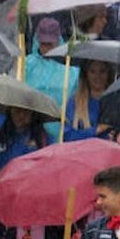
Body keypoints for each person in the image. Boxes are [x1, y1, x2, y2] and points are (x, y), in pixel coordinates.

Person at [24, 18, 78, 146]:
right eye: (43, 43)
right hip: (31, 133)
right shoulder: (27, 64)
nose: (46, 48)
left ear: (58, 41)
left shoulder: (71, 69)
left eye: (50, 44)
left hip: (61, 134)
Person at [63, 60, 115, 142]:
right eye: (92, 71)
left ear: (109, 74)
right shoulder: (74, 102)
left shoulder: (117, 101)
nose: (98, 76)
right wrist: (96, 130)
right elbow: (67, 136)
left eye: (102, 71)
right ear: (86, 74)